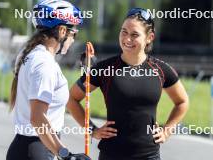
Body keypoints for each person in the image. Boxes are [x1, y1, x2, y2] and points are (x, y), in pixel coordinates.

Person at [67, 8, 189, 160]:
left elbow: (182, 102)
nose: (127, 39)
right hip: (111, 155)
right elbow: (71, 99)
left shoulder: (161, 70)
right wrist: (92, 130)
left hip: (149, 155)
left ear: (149, 37)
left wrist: (167, 131)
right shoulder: (104, 68)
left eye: (134, 34)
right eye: (124, 32)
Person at [6, 0, 89, 160]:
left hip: (26, 147)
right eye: (74, 34)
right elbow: (37, 118)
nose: (73, 40)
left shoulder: (30, 54)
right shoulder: (44, 63)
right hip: (37, 150)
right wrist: (66, 154)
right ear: (63, 31)